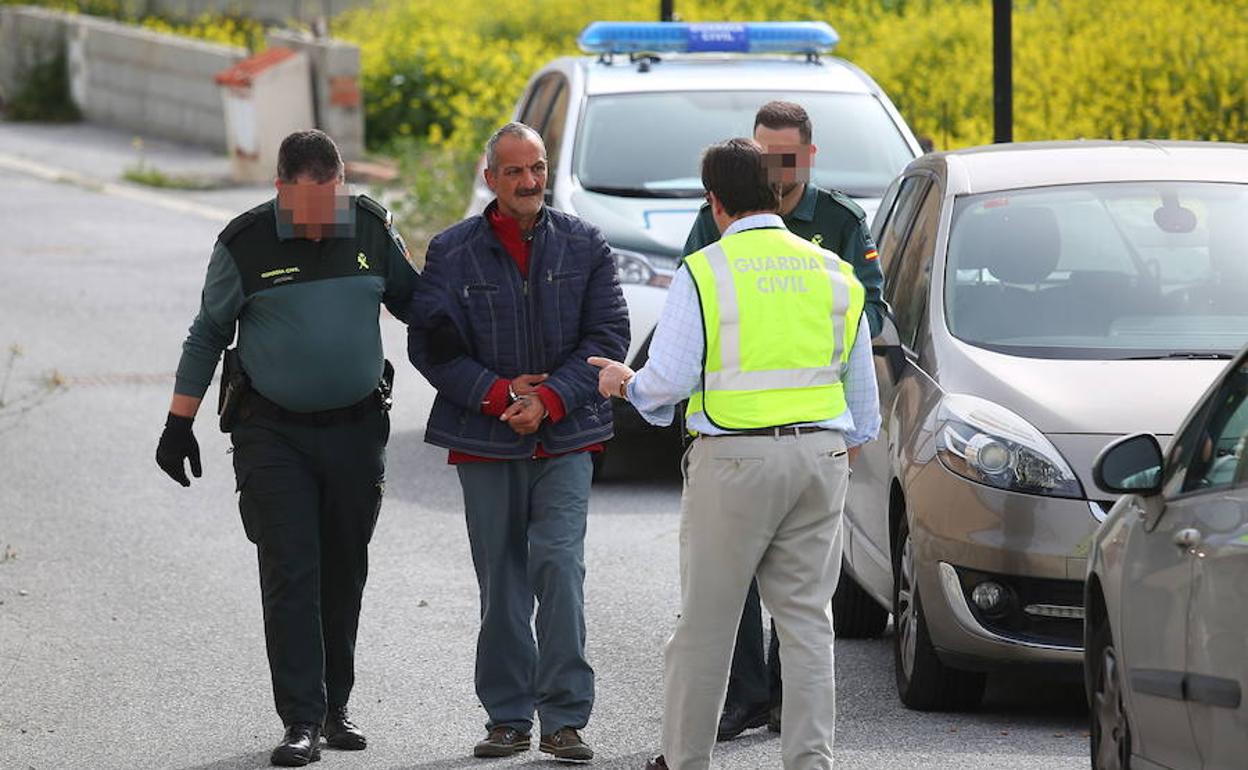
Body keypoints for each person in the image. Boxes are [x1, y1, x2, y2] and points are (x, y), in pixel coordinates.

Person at [589, 137, 881, 770]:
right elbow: (862, 397)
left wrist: (623, 383)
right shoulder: (834, 271)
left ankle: (685, 759)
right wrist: (838, 452)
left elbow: (666, 381)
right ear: (774, 191)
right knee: (807, 625)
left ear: (714, 202)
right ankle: (810, 763)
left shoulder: (705, 270)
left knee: (706, 625)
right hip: (821, 456)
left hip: (734, 462)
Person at [154, 129, 418, 767]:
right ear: (280, 191)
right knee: (291, 569)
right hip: (273, 433)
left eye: (332, 201)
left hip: (357, 429)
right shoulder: (244, 244)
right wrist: (178, 423)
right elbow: (207, 334)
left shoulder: (370, 227)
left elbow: (421, 305)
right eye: (308, 206)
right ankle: (300, 718)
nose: (323, 220)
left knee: (344, 567)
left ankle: (335, 708)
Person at [407, 121, 629, 762]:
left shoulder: (585, 244)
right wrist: (499, 393)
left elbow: (608, 335)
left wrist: (550, 399)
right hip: (484, 439)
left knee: (558, 566)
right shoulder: (451, 251)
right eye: (515, 172)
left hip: (567, 437)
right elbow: (432, 347)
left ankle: (565, 719)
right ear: (491, 179)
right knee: (501, 581)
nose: (530, 181)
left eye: (537, 168)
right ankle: (507, 718)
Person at [682, 100, 887, 741]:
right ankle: (744, 695)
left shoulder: (840, 221)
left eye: (787, 157)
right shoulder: (715, 218)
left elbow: (869, 310)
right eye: (763, 155)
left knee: (800, 599)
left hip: (812, 427)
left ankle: (783, 704)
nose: (774, 169)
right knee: (733, 583)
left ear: (810, 155)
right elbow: (695, 301)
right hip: (735, 427)